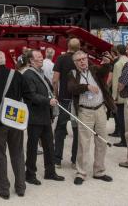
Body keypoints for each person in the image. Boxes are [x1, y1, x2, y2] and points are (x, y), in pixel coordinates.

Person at [66, 50, 114, 185]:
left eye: (84, 58)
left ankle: (99, 171)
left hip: (100, 110)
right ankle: (81, 173)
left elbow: (104, 73)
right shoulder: (72, 74)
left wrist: (107, 64)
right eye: (79, 60)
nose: (82, 61)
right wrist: (86, 87)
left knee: (102, 142)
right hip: (85, 112)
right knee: (83, 143)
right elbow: (72, 88)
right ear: (75, 63)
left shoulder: (94, 69)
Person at [0, 50, 26, 199]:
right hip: (15, 121)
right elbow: (26, 96)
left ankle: (4, 190)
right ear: (5, 60)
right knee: (18, 153)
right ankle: (21, 187)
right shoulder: (17, 75)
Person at [24, 49, 64, 185]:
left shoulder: (40, 73)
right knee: (32, 147)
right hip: (35, 117)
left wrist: (52, 98)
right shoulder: (28, 75)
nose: (41, 58)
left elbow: (48, 89)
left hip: (45, 115)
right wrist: (48, 101)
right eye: (38, 57)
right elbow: (31, 95)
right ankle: (29, 174)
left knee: (48, 146)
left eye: (41, 56)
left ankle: (50, 172)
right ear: (31, 60)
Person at [52, 38, 80, 169]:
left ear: (68, 45)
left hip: (64, 99)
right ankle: (75, 160)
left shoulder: (61, 59)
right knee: (77, 130)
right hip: (78, 100)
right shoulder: (82, 59)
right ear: (79, 47)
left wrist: (56, 95)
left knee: (60, 130)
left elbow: (55, 80)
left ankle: (57, 160)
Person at [110, 45, 128, 145]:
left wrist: (114, 97)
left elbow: (116, 82)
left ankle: (124, 140)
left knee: (121, 119)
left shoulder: (118, 64)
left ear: (117, 51)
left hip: (120, 96)